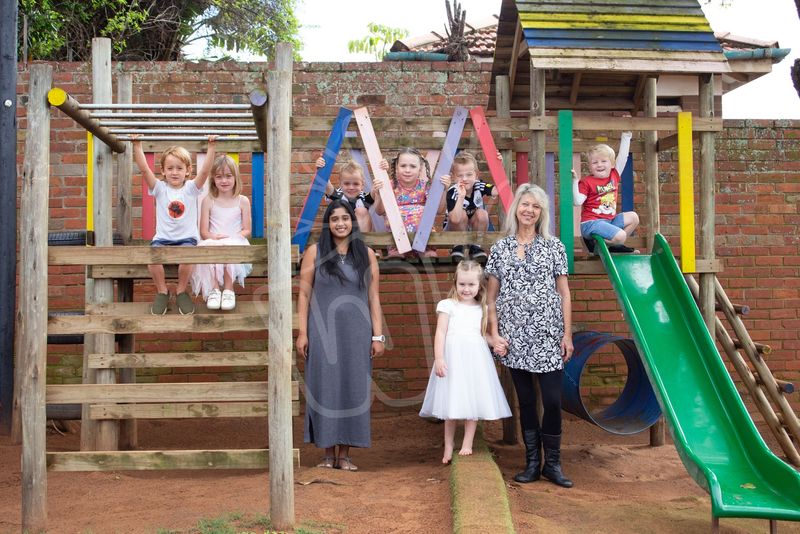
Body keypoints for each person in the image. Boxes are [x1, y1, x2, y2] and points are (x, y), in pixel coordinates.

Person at [485, 183, 575, 488]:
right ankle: (532, 463)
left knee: (551, 400)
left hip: (548, 336)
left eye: (536, 206)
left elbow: (564, 294)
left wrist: (567, 335)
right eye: (525, 204)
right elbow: (491, 297)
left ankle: (553, 464)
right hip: (513, 338)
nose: (529, 210)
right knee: (524, 401)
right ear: (516, 209)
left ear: (542, 213)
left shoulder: (554, 247)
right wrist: (494, 334)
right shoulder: (501, 248)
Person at [296, 199, 384, 471]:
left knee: (352, 387)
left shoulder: (366, 254)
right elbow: (303, 293)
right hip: (322, 331)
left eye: (345, 218)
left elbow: (373, 296)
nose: (340, 223)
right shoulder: (314, 251)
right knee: (325, 388)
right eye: (335, 219)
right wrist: (302, 332)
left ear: (352, 222)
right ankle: (326, 453)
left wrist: (377, 336)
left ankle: (345, 454)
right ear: (328, 224)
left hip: (356, 332)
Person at [419, 260, 511, 464]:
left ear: (479, 286)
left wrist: (494, 342)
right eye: (462, 284)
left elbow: (481, 334)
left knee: (473, 401)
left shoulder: (481, 308)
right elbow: (440, 333)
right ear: (455, 283)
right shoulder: (447, 305)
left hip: (475, 359)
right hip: (452, 358)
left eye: (471, 285)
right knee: (450, 403)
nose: (466, 289)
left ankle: (468, 443)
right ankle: (449, 445)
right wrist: (440, 358)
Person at [131, 135, 216, 315]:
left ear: (187, 171)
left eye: (179, 168)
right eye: (170, 168)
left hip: (186, 239)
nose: (174, 172)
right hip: (163, 239)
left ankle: (181, 291)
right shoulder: (159, 188)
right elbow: (145, 170)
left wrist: (211, 147)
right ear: (163, 171)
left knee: (187, 259)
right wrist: (137, 145)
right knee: (152, 260)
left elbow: (205, 172)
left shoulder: (191, 188)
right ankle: (162, 291)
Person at [190, 154, 252, 311]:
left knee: (229, 246)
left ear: (235, 177)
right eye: (219, 177)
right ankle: (215, 289)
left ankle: (229, 290)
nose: (224, 181)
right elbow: (203, 231)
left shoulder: (242, 201)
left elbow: (247, 230)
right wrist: (213, 237)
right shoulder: (208, 200)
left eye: (228, 176)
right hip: (214, 240)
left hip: (236, 240)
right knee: (208, 247)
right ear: (213, 179)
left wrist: (235, 237)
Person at [373, 147, 450, 258]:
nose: (407, 170)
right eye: (403, 166)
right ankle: (397, 251)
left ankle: (426, 250)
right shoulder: (390, 185)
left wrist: (444, 190)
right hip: (397, 239)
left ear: (420, 169)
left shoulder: (425, 185)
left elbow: (439, 210)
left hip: (422, 239)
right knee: (394, 213)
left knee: (423, 212)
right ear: (396, 168)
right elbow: (379, 211)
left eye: (413, 166)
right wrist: (378, 194)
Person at [572, 131, 639, 254]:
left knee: (633, 218)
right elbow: (577, 202)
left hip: (609, 221)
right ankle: (597, 247)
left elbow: (623, 157)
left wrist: (626, 136)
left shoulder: (614, 175)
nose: (599, 165)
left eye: (604, 161)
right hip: (591, 223)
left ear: (612, 164)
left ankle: (611, 246)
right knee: (621, 236)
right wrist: (575, 182)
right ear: (590, 166)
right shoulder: (587, 182)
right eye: (595, 162)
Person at [443, 151, 499, 260]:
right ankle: (458, 246)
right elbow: (455, 219)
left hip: (472, 227)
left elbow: (498, 191)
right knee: (462, 214)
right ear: (454, 177)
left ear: (476, 175)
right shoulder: (453, 192)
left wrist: (498, 166)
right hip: (454, 229)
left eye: (469, 174)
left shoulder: (479, 186)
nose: (464, 179)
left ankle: (476, 246)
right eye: (460, 175)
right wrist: (461, 196)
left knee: (482, 214)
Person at [315, 157, 375, 232]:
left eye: (356, 184)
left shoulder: (364, 197)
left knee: (362, 211)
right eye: (347, 183)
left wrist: (382, 171)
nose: (351, 187)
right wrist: (321, 169)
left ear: (362, 185)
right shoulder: (338, 195)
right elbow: (326, 185)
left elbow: (375, 192)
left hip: (359, 236)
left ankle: (363, 242)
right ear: (340, 183)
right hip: (341, 234)